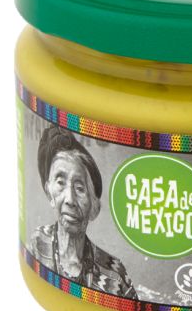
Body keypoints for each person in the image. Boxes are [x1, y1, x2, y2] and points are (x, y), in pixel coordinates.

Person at [29, 125, 137, 299]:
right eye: (60, 183)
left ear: (94, 208)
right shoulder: (38, 242)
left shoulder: (115, 275)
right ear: (49, 192)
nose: (70, 199)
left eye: (80, 188)